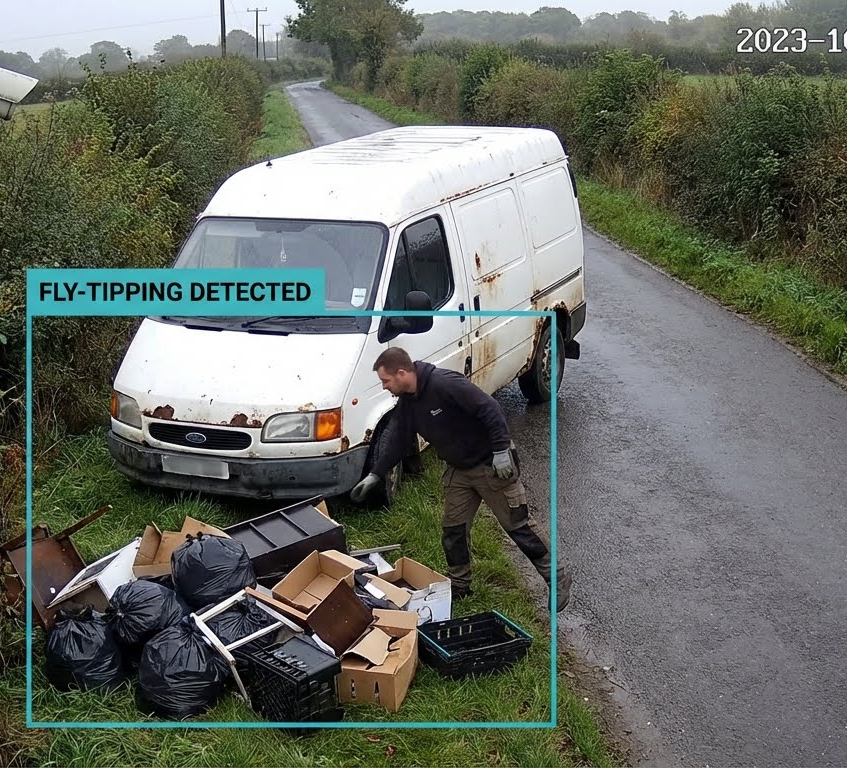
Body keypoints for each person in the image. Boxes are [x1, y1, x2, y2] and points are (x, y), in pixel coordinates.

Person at [350, 346, 571, 612]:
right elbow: (398, 439)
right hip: (458, 469)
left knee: (518, 526)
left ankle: (556, 576)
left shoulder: (445, 384)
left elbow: (489, 408)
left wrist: (501, 450)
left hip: (491, 465)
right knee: (453, 530)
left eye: (385, 380)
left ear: (401, 373)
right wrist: (375, 474)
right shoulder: (408, 402)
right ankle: (460, 585)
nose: (384, 386)